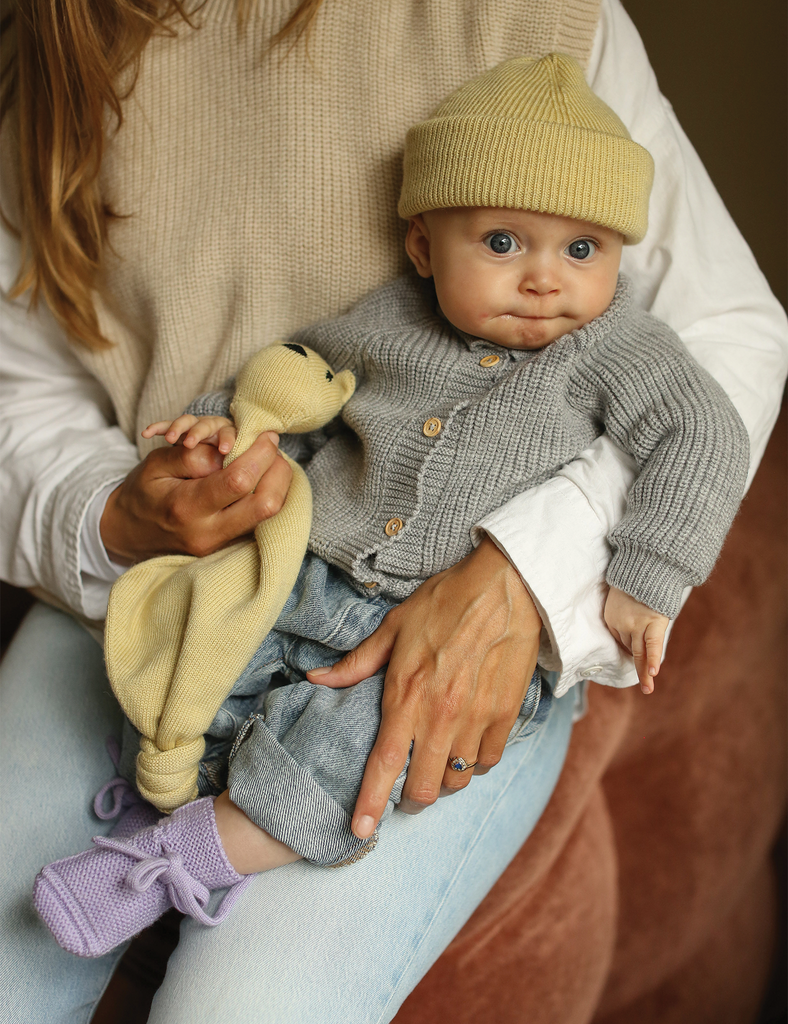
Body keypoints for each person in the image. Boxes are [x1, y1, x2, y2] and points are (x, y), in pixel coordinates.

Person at [0, 2, 785, 1021]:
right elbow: (286, 376)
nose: (545, 278)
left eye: (582, 252)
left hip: (436, 608)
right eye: (504, 242)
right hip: (206, 567)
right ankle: (166, 766)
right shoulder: (46, 45)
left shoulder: (538, 26)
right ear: (421, 246)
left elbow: (726, 349)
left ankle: (184, 851)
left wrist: (547, 573)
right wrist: (119, 504)